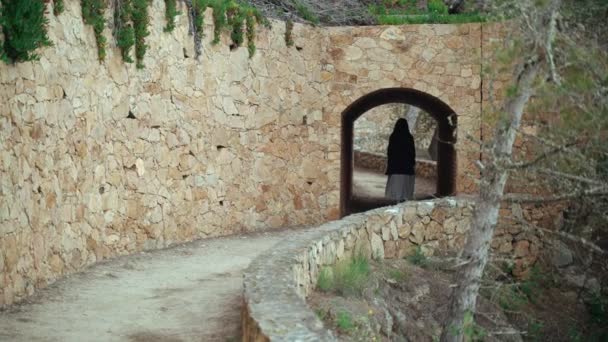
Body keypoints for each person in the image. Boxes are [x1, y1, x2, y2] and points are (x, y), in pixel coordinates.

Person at [385, 118, 416, 202]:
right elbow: (412, 151)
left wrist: (390, 162)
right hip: (407, 166)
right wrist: (412, 162)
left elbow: (390, 151)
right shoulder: (409, 137)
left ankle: (397, 199)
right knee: (405, 184)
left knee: (397, 184)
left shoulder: (393, 136)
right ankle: (405, 198)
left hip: (395, 166)